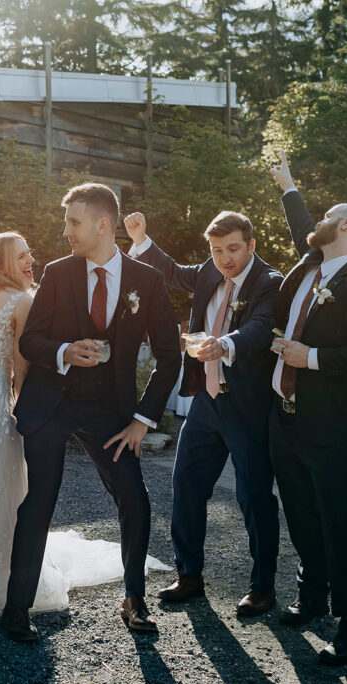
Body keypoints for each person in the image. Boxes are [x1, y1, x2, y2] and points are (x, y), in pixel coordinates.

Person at [0, 232, 170, 617]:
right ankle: (10, 599)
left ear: (101, 224)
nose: (32, 261)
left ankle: (133, 597)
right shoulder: (43, 284)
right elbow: (24, 359)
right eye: (22, 256)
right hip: (11, 401)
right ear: (4, 263)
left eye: (29, 254)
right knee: (12, 495)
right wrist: (26, 409)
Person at [1, 183, 180, 641]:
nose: (65, 232)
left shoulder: (148, 281)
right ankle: (16, 609)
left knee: (135, 501)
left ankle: (134, 599)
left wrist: (143, 420)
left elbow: (169, 356)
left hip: (111, 412)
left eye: (73, 222)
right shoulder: (59, 274)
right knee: (40, 502)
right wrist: (63, 350)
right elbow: (30, 341)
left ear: (103, 225)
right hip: (52, 405)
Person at [268, 152, 347, 665]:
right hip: (284, 415)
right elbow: (306, 228)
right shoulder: (315, 262)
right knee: (298, 512)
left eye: (326, 218)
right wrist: (286, 184)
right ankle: (311, 593)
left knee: (336, 521)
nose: (315, 224)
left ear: (344, 225)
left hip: (328, 423)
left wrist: (312, 357)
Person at [124, 209, 284, 616]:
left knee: (253, 496)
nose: (225, 259)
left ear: (251, 245)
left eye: (233, 249)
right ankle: (189, 575)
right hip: (206, 401)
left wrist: (225, 344)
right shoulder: (211, 271)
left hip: (247, 406)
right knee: (187, 483)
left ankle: (263, 587)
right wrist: (141, 239)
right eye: (216, 251)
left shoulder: (270, 282)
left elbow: (263, 326)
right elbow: (174, 273)